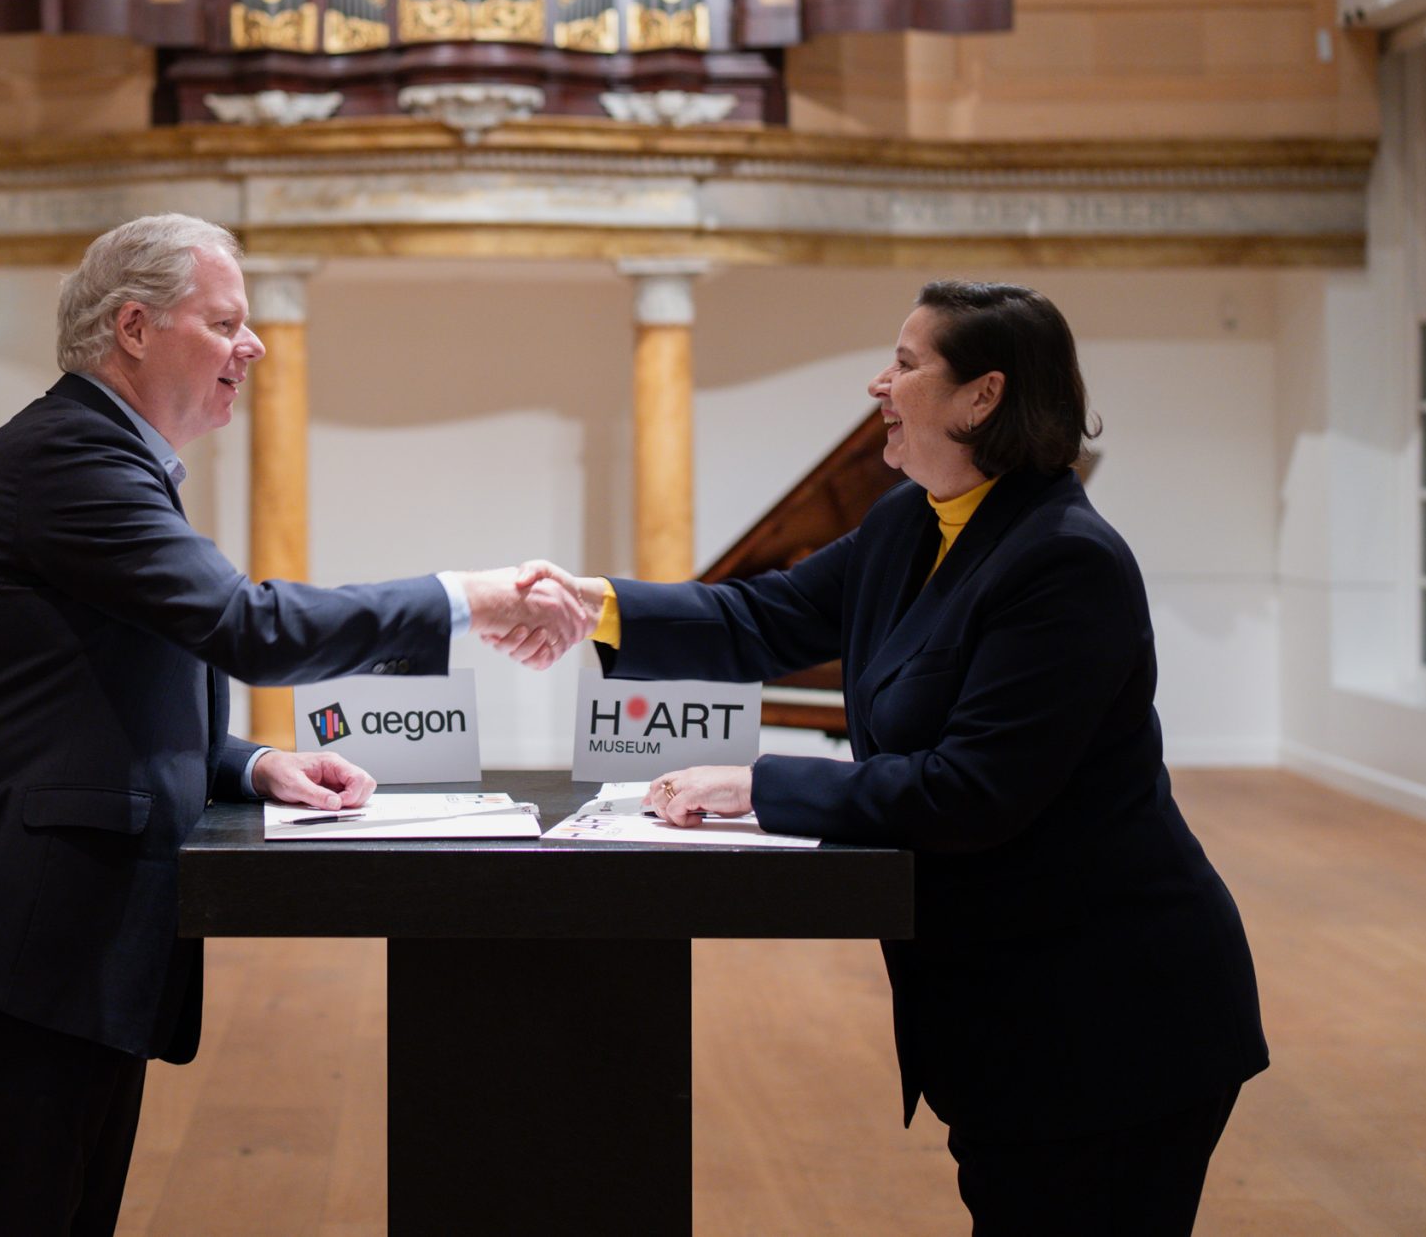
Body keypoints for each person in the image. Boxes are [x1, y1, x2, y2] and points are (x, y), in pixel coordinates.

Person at [0, 213, 589, 1237]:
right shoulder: (71, 461)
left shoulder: (100, 457)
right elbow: (245, 626)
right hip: (1, 943)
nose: (256, 345)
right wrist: (468, 596)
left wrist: (256, 764)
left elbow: (99, 694)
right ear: (136, 327)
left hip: (53, 946)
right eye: (227, 321)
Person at [517, 280, 1267, 1236]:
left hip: (1113, 1016)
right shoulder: (909, 523)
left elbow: (971, 792)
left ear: (981, 396)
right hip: (1016, 1013)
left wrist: (757, 786)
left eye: (908, 364)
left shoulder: (1065, 560)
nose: (881, 382)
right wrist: (593, 603)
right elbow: (760, 616)